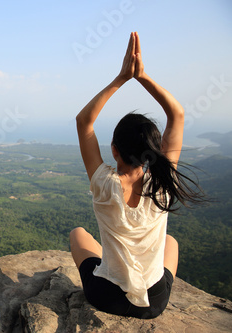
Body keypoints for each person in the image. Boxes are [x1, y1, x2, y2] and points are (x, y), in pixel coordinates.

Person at [70, 32, 205, 319]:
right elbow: (177, 115)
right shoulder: (162, 184)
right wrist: (142, 77)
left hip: (109, 298)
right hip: (154, 303)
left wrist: (121, 78)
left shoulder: (104, 185)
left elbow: (84, 122)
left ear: (114, 150)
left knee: (78, 234)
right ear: (154, 150)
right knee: (172, 243)